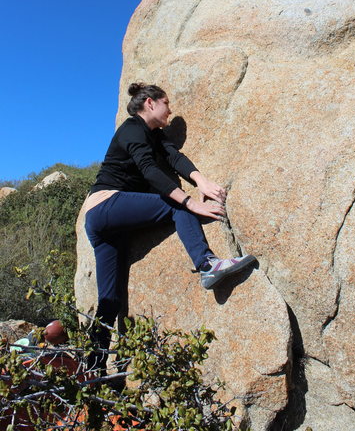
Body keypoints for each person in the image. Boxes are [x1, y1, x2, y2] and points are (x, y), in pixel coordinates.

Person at [84, 82, 255, 352]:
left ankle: (93, 369)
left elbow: (174, 157)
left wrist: (201, 181)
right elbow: (150, 170)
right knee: (177, 207)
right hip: (106, 206)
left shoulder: (154, 134)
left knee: (110, 300)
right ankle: (207, 265)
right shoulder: (131, 129)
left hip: (109, 225)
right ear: (150, 103)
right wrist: (190, 202)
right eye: (166, 103)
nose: (169, 110)